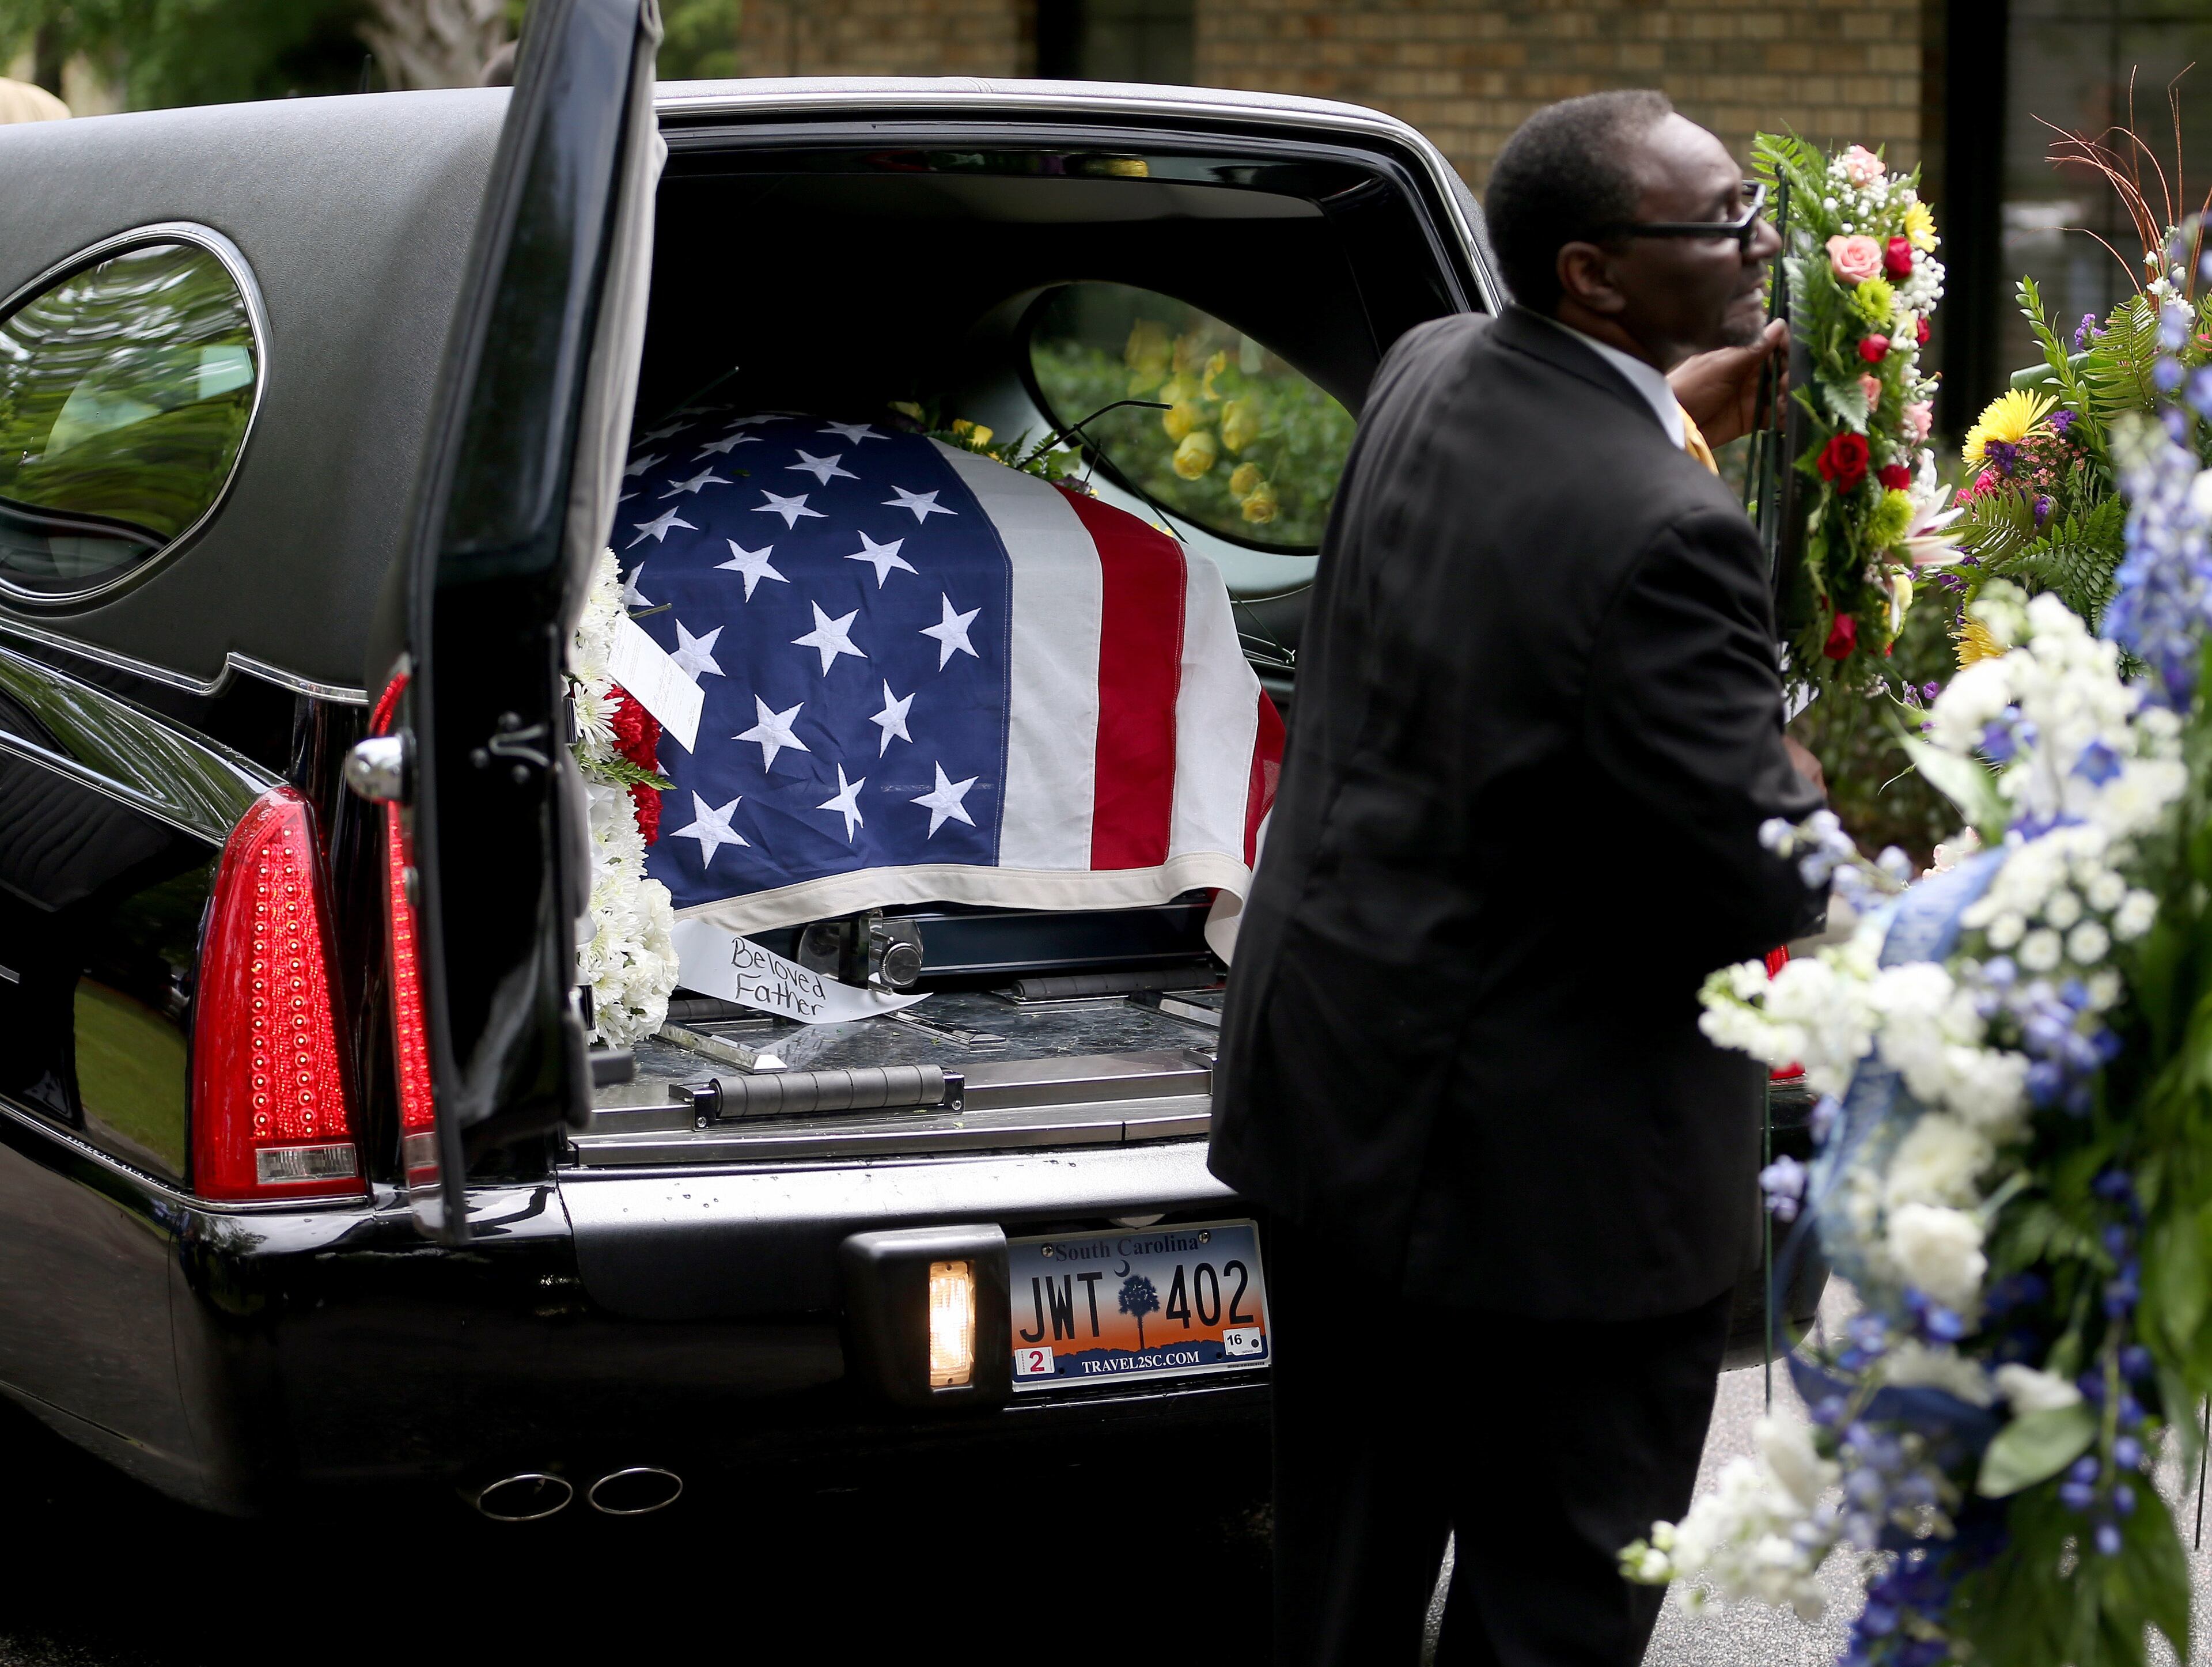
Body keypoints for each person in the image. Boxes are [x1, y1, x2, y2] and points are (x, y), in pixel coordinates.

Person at [1208, 90, 1830, 1666]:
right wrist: (1811, 773)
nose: (1761, 240)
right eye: (1723, 222)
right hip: (1558, 1209)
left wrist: (1673, 414)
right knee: (1548, 1616)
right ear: (1593, 276)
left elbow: (1538, 546)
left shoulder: (1428, 370)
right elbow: (1764, 874)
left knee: (1337, 1592)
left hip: (1343, 1125)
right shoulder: (1667, 535)